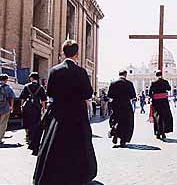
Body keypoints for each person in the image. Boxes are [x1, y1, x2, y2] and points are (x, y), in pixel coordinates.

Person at [33, 40, 97, 185]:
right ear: (77, 54)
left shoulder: (54, 70)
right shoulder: (81, 72)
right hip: (77, 115)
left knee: (55, 144)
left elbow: (50, 92)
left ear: (63, 53)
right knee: (79, 144)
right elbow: (88, 93)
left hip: (59, 114)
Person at [107, 70, 136, 147]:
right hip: (126, 105)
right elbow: (133, 96)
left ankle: (115, 132)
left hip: (116, 105)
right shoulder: (129, 83)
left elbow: (109, 95)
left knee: (116, 120)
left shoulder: (113, 83)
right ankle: (123, 141)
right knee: (126, 123)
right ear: (125, 75)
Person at [20, 72, 47, 147]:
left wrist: (22, 106)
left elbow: (23, 97)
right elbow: (43, 100)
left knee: (26, 121)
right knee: (35, 122)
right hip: (37, 107)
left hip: (27, 107)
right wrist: (43, 109)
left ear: (31, 78)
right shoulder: (41, 87)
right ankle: (33, 137)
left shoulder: (26, 86)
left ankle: (27, 136)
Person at [149, 70, 173, 139]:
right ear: (161, 75)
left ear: (156, 75)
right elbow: (169, 88)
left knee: (157, 117)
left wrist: (153, 97)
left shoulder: (153, 83)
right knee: (164, 116)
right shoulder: (165, 82)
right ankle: (163, 132)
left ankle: (158, 132)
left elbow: (150, 93)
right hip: (164, 102)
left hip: (156, 102)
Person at [0, 74, 15, 145]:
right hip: (5, 108)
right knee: (3, 124)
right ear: (6, 80)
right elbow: (11, 98)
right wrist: (11, 107)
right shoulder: (8, 88)